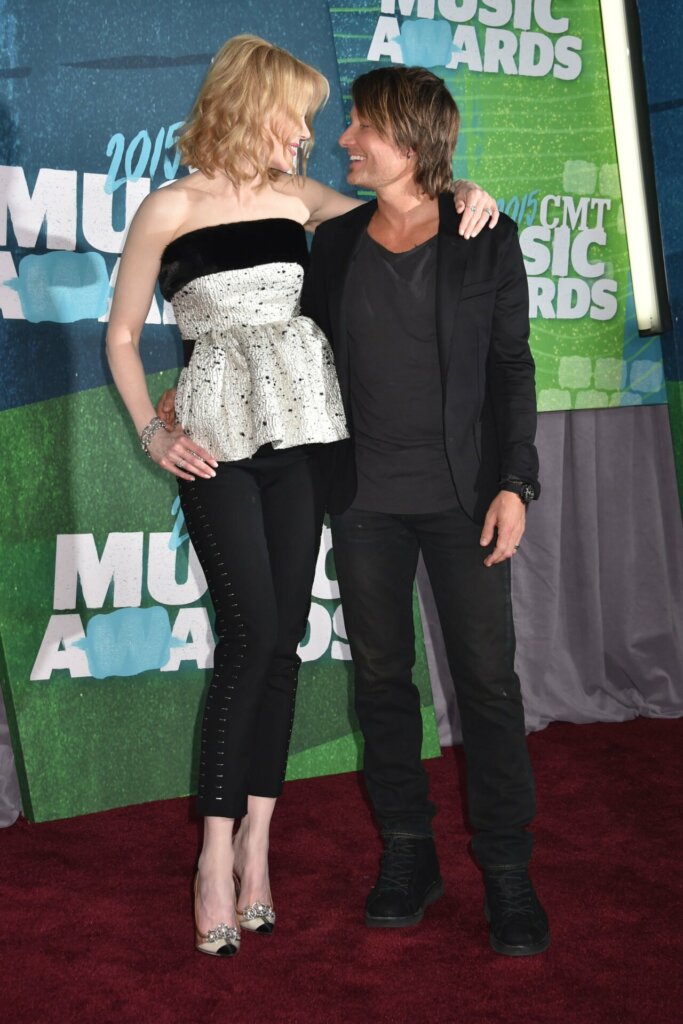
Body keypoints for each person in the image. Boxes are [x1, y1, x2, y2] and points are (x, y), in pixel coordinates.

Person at [106, 36, 498, 958]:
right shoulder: (170, 207)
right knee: (248, 636)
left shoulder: (301, 199)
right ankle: (211, 858)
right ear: (254, 105)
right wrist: (153, 431)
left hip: (304, 440)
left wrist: (461, 191)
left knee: (280, 643)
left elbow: (399, 203)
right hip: (214, 445)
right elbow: (121, 336)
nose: (312, 136)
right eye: (301, 117)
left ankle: (257, 849)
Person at [301, 66, 549, 957]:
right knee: (380, 683)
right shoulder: (332, 242)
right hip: (363, 500)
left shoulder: (485, 235)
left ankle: (507, 868)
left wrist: (515, 484)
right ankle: (408, 850)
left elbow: (510, 367)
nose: (343, 139)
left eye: (359, 125)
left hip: (464, 501)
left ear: (406, 138)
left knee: (487, 685)